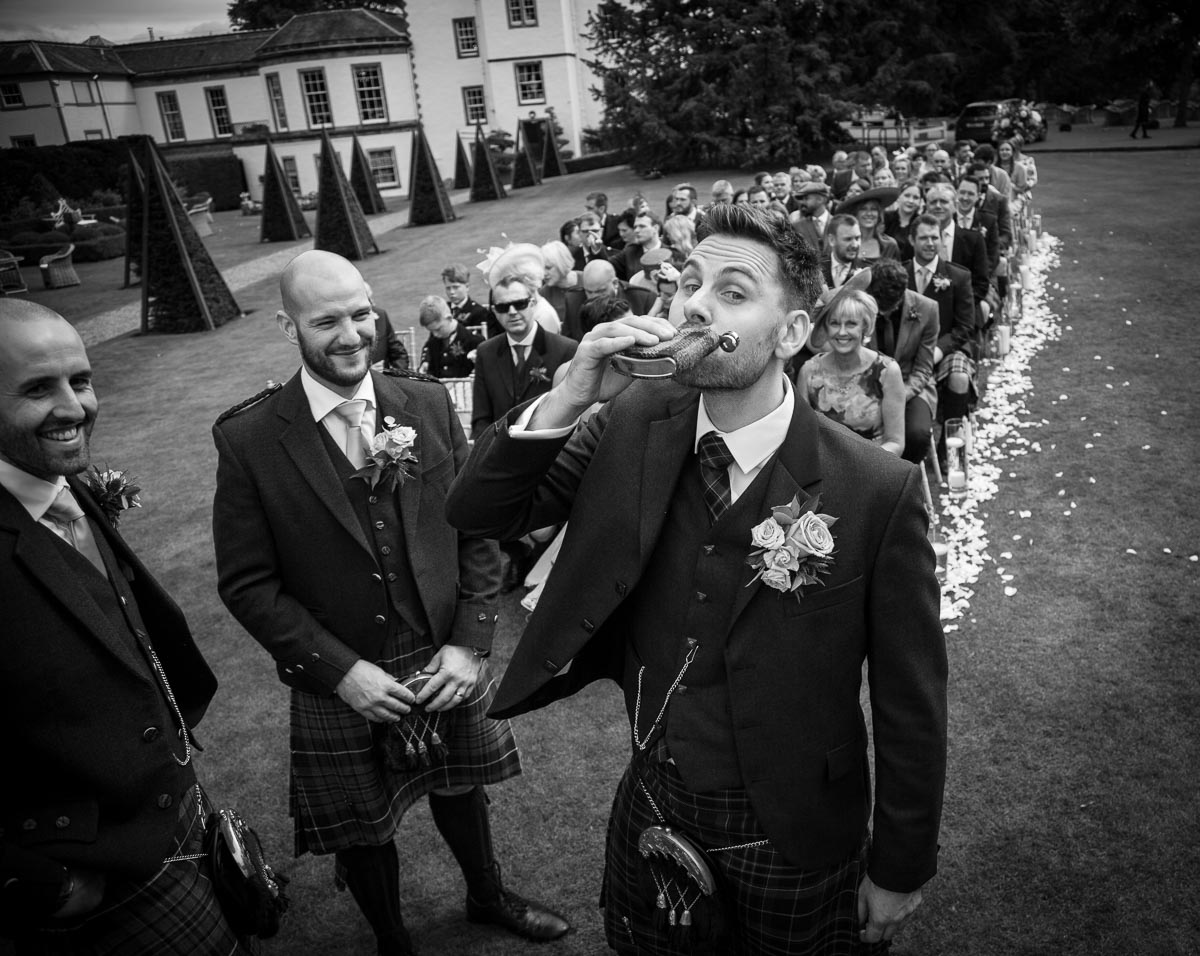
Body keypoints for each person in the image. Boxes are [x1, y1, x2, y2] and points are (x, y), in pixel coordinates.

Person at [446, 202, 947, 956]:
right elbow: (480, 510)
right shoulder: (629, 418)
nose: (696, 305)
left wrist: (901, 865)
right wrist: (571, 392)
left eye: (732, 292)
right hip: (655, 793)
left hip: (799, 827)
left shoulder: (878, 491)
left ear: (792, 332)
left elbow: (912, 701)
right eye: (690, 283)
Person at [211, 251, 570, 956]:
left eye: (360, 314)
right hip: (340, 666)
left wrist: (470, 641)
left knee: (461, 785)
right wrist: (339, 672)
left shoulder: (426, 403)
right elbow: (247, 583)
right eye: (326, 322)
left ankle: (487, 896)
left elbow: (478, 528)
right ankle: (392, 941)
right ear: (288, 326)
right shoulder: (249, 438)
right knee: (361, 822)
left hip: (439, 643)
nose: (351, 336)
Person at [0, 300, 247, 953]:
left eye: (80, 381)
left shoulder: (61, 485)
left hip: (176, 807)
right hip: (92, 869)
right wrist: (38, 883)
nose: (74, 407)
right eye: (38, 389)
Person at [800, 284, 906, 457]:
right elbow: (802, 437)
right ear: (825, 328)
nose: (842, 332)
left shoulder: (887, 372)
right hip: (824, 465)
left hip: (874, 464)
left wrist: (857, 466)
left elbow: (895, 442)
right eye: (834, 323)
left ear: (865, 327)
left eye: (851, 324)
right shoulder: (809, 371)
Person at [471, 272, 578, 439]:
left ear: (532, 303)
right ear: (494, 311)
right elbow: (481, 418)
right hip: (498, 449)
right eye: (503, 307)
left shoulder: (565, 349)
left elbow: (571, 414)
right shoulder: (486, 352)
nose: (512, 312)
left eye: (519, 304)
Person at [906, 214, 976, 440]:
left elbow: (965, 327)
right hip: (906, 352)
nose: (930, 243)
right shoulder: (899, 274)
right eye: (923, 238)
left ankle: (950, 442)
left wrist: (937, 351)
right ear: (911, 240)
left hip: (944, 350)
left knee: (959, 375)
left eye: (934, 238)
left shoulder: (959, 276)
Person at [867, 260, 939, 464]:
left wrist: (898, 396)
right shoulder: (861, 304)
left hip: (911, 386)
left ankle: (902, 474)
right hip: (867, 383)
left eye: (890, 308)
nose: (885, 314)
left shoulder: (928, 309)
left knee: (918, 434)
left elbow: (923, 368)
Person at [418, 294, 482, 379]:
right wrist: (425, 365)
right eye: (431, 331)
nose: (435, 334)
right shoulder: (433, 342)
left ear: (449, 318)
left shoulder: (473, 340)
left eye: (438, 329)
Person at [837, 187, 901, 265]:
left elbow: (897, 272)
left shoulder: (890, 246)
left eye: (873, 209)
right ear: (855, 213)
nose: (869, 213)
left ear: (879, 214)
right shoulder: (844, 243)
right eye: (863, 209)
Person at [442, 263, 497, 339]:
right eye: (448, 288)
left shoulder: (479, 312)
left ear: (467, 287)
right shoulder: (443, 310)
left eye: (456, 287)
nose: (452, 292)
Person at [822, 213, 866, 289]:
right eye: (848, 239)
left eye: (857, 238)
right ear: (832, 240)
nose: (855, 245)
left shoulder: (867, 271)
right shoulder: (815, 269)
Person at [883, 180, 923, 261]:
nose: (911, 201)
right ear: (898, 197)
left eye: (915, 198)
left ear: (920, 201)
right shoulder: (885, 218)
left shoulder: (921, 223)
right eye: (907, 196)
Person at [790, 181, 832, 254]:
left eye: (806, 199)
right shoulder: (797, 226)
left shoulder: (838, 224)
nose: (802, 202)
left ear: (820, 199)